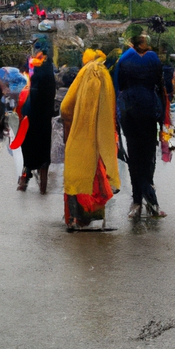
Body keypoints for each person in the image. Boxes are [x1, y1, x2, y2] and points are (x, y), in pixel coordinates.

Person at [60, 49, 120, 230]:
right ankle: (92, 218)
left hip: (80, 136)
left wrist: (69, 123)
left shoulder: (85, 73)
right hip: (103, 138)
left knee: (75, 177)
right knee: (98, 175)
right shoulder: (104, 74)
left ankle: (74, 220)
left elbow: (65, 106)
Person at [113, 33, 165, 220]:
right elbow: (161, 87)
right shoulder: (154, 60)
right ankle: (150, 200)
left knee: (135, 155)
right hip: (150, 111)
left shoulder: (123, 60)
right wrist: (164, 118)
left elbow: (117, 87)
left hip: (129, 111)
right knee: (148, 155)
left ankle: (138, 201)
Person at [15, 44, 56, 193]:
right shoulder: (49, 70)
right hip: (44, 119)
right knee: (43, 151)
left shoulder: (36, 69)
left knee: (27, 149)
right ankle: (40, 183)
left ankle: (24, 178)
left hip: (32, 117)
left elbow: (30, 90)